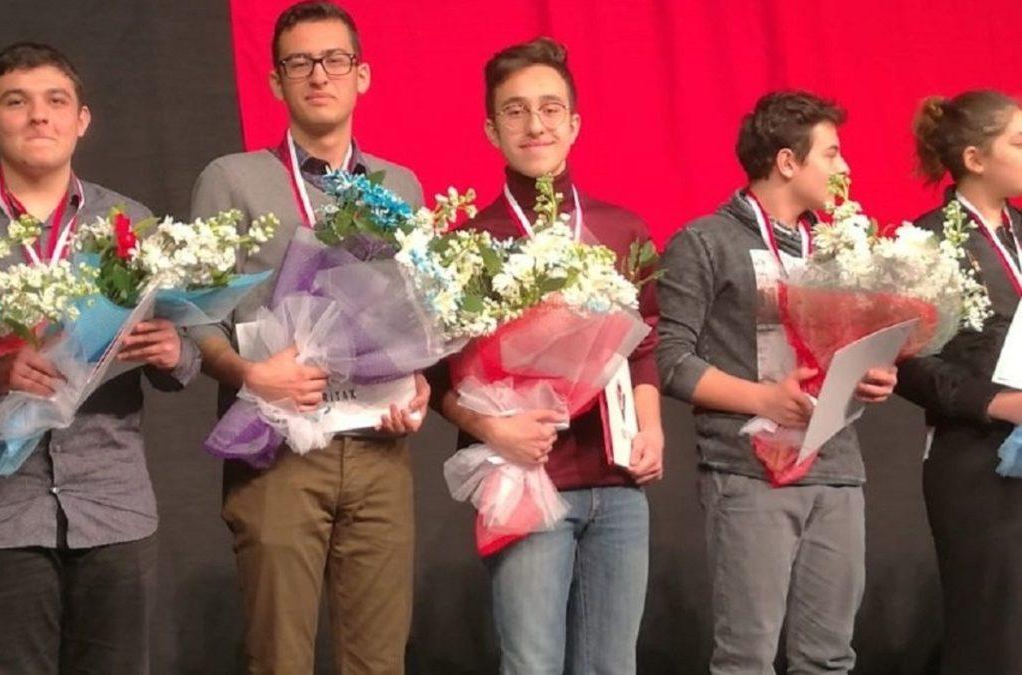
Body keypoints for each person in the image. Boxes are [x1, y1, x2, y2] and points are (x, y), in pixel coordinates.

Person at [0, 42, 199, 674]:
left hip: (112, 506)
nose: (38, 116)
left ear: (82, 119)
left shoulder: (131, 223)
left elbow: (187, 358)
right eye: (15, 102)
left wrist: (172, 350)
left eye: (56, 101)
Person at [188, 2, 429, 672]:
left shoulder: (400, 186)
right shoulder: (232, 179)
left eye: (334, 60)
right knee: (280, 659)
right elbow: (194, 313)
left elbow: (417, 314)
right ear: (276, 81)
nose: (318, 75)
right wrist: (249, 373)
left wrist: (419, 380)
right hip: (278, 448)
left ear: (362, 76)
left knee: (380, 662)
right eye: (299, 62)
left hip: (379, 448)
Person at [434, 37, 663, 675]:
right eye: (515, 111)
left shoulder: (622, 230)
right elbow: (439, 375)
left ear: (575, 123)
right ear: (491, 130)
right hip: (525, 478)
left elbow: (646, 341)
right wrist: (492, 428)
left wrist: (651, 428)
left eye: (550, 108)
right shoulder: (468, 244)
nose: (535, 125)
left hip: (617, 481)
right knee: (532, 664)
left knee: (612, 665)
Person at [656, 91, 897, 674]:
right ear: (788, 162)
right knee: (748, 659)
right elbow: (670, 360)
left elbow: (850, 349)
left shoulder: (842, 251)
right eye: (832, 154)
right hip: (749, 472)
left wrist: (874, 374)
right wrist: (764, 399)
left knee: (829, 658)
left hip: (837, 469)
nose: (844, 168)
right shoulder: (705, 241)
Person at [896, 90, 1022, 674]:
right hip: (976, 458)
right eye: (1018, 143)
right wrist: (999, 403)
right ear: (975, 158)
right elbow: (908, 362)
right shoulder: (925, 243)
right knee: (994, 634)